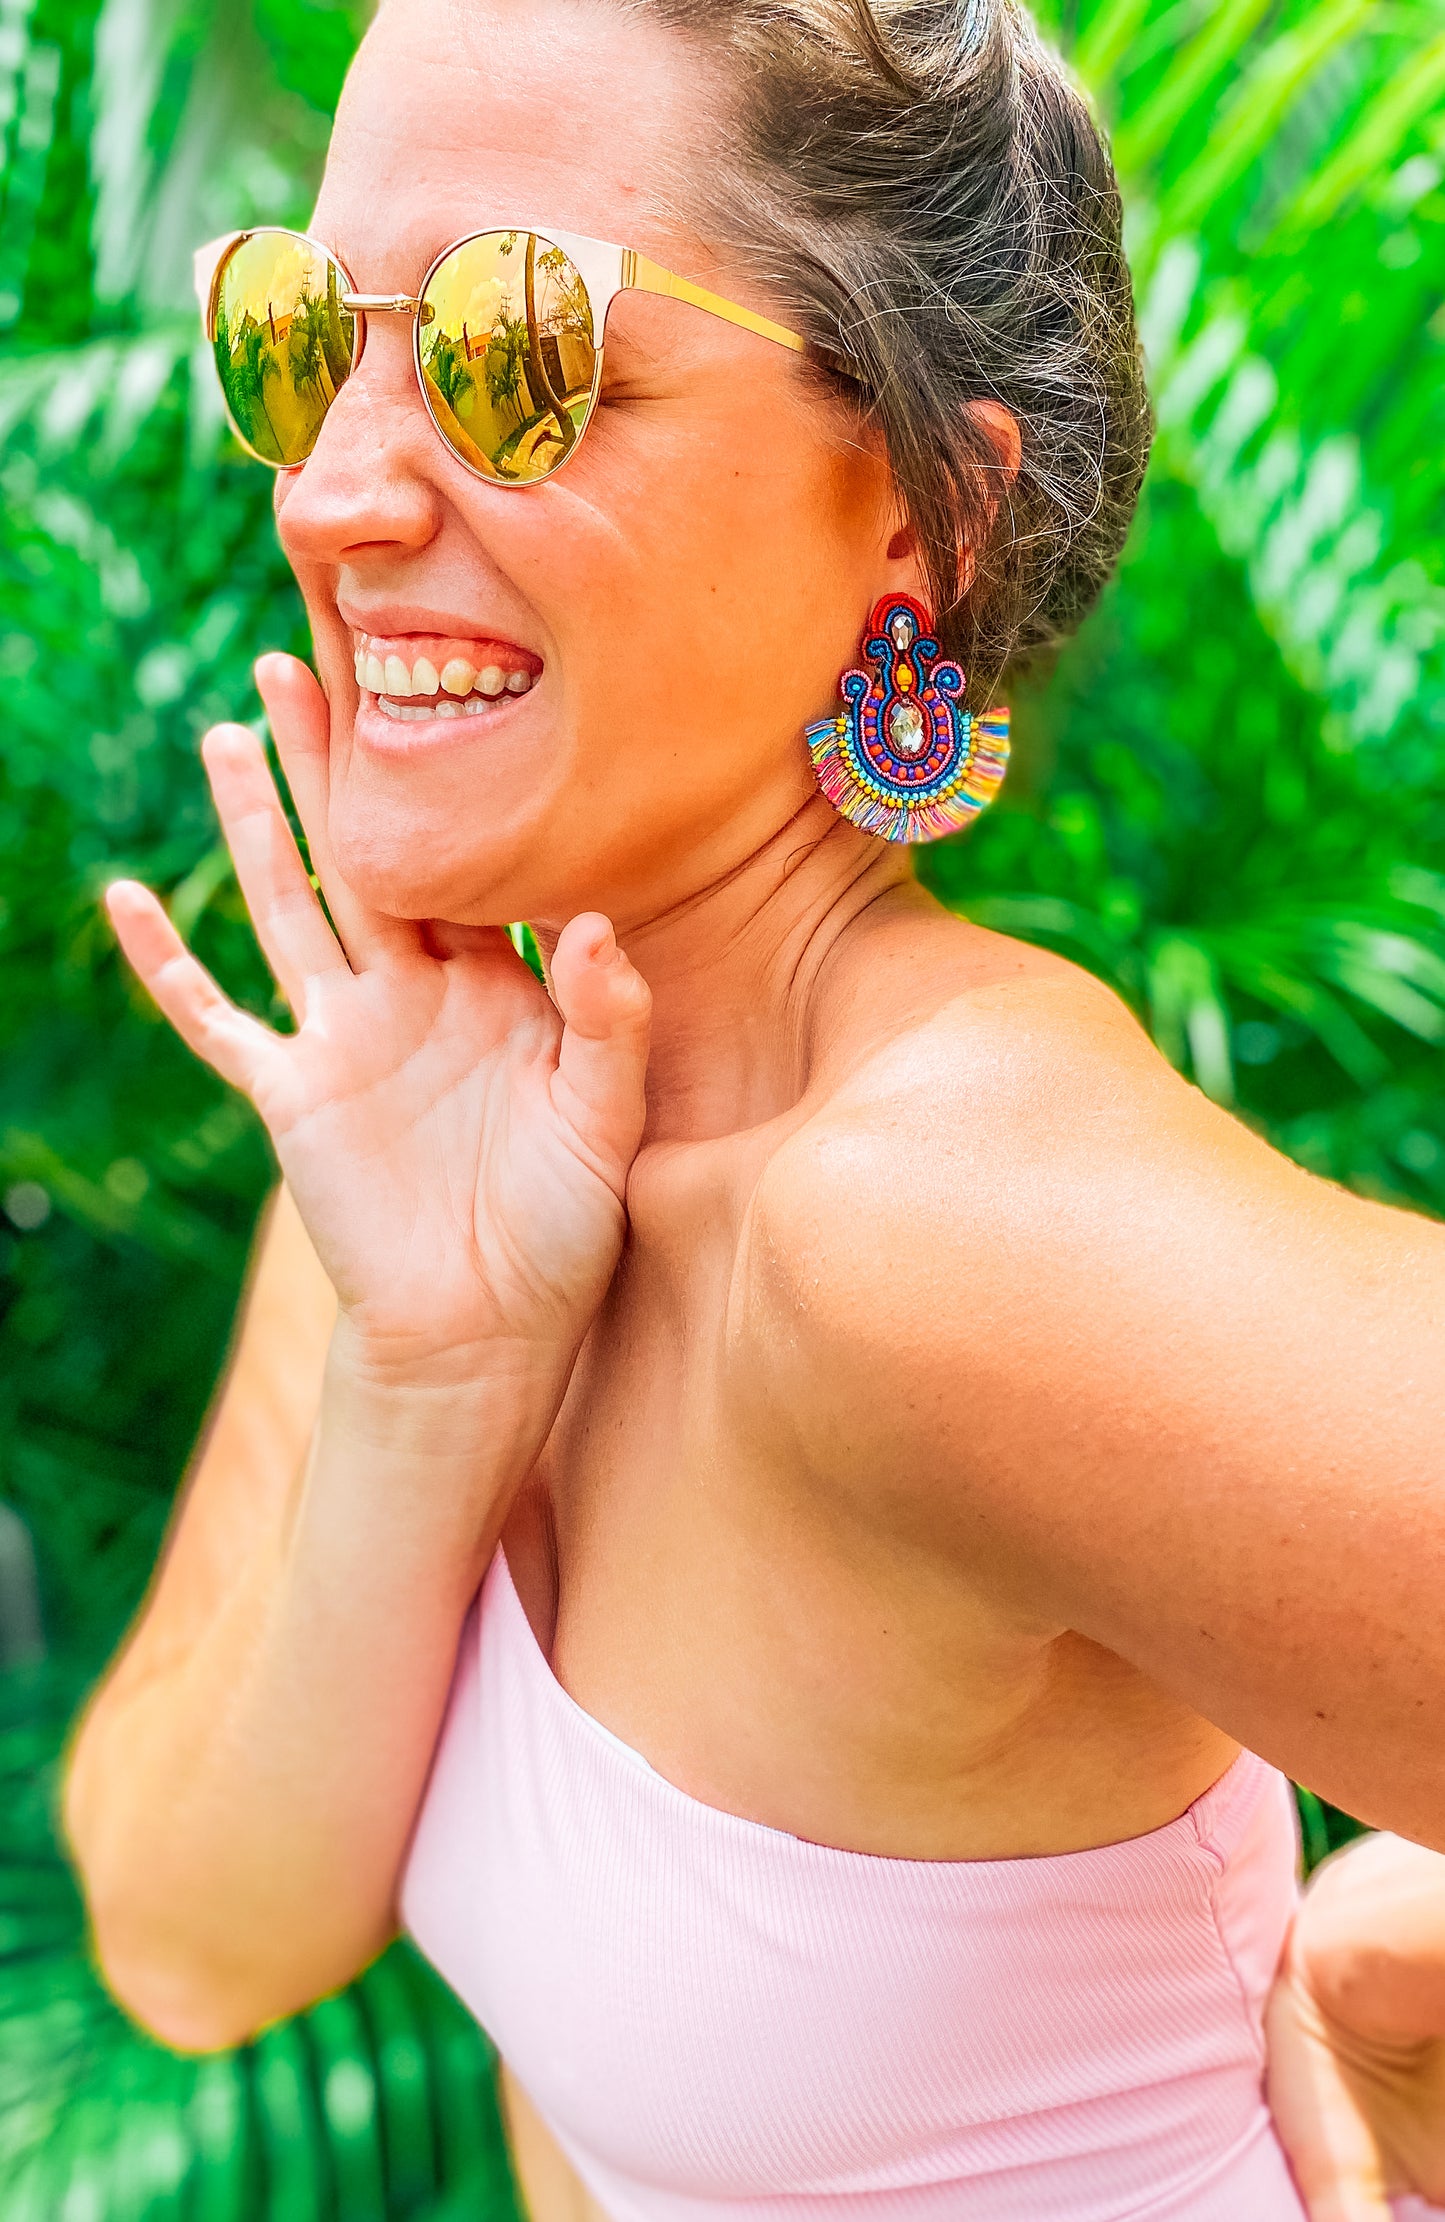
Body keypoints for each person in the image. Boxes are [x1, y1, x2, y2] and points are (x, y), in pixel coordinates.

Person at [63, 0, 1445, 2215]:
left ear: (924, 510)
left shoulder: (927, 1220)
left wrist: (1402, 1960)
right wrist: (433, 1382)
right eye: (301, 340)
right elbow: (187, 1928)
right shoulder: (439, 1164)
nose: (330, 493)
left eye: (521, 354)